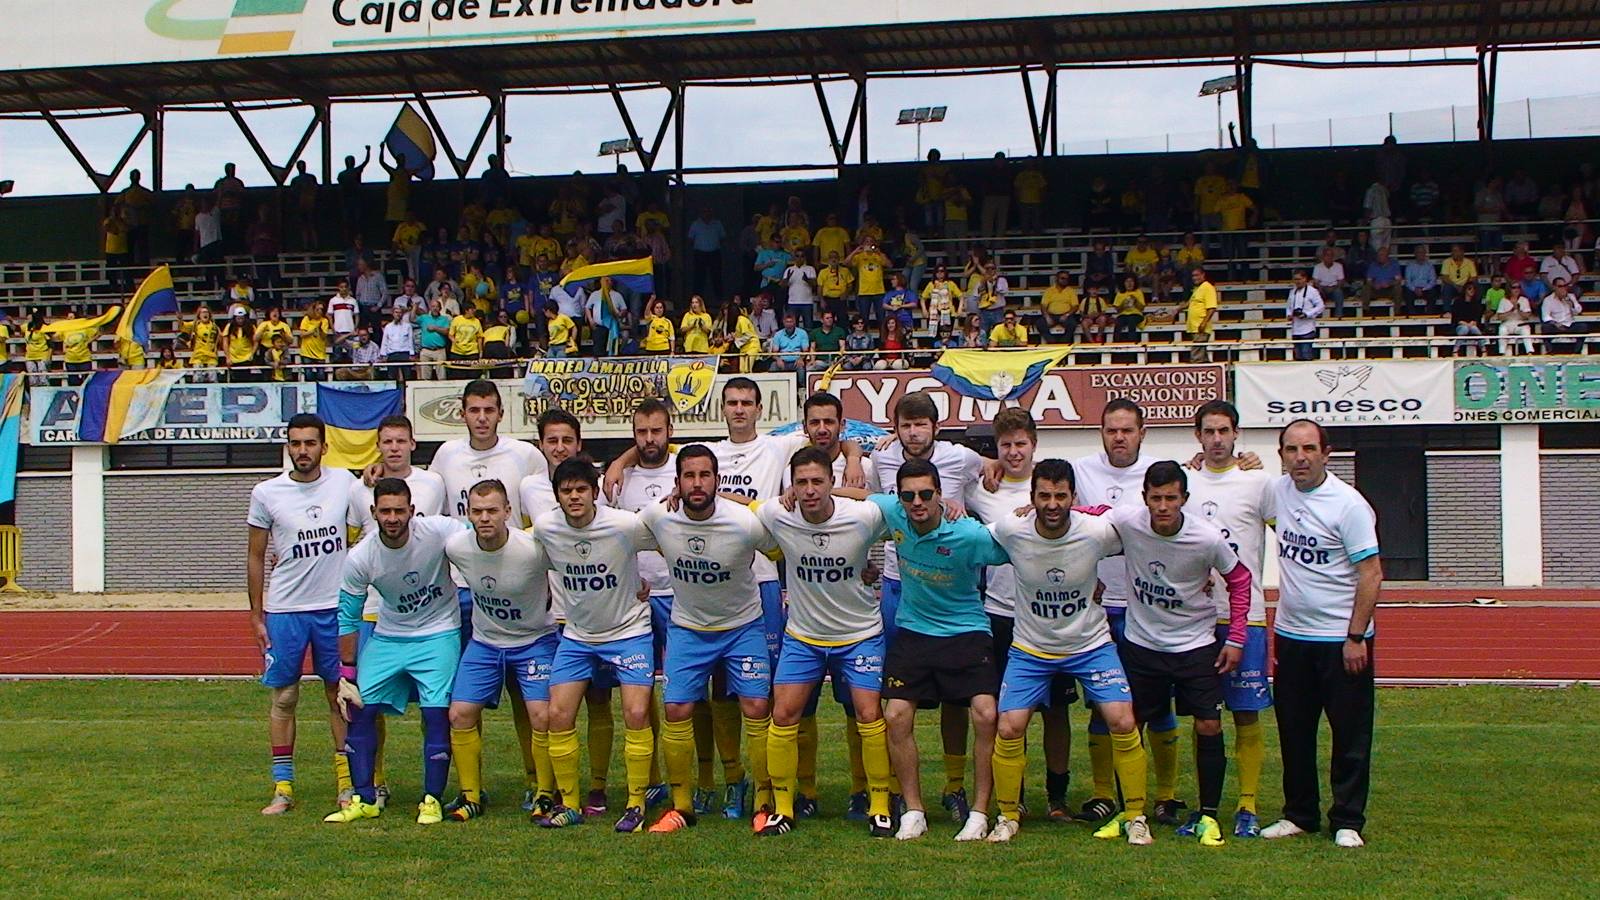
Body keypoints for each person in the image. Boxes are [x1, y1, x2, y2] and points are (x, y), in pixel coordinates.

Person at [985, 458, 1145, 844]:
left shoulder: (1096, 531)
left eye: (1060, 496)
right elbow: (964, 545)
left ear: (1074, 497)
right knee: (1008, 726)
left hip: (1090, 645)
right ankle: (1007, 816)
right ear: (1032, 497)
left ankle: (1136, 817)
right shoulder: (1011, 529)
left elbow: (1145, 529)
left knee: (1123, 721)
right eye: (1044, 496)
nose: (1052, 504)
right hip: (1030, 647)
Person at [1098, 462, 1251, 848]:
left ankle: (1209, 815)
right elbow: (1092, 514)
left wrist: (1234, 637)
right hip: (1142, 645)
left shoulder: (1206, 537)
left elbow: (1241, 580)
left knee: (1208, 726)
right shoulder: (1130, 522)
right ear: (1144, 497)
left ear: (1184, 499)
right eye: (1155, 498)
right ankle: (1130, 811)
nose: (1162, 506)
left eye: (1171, 498)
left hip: (1195, 646)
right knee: (1128, 726)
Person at [755, 446, 895, 838]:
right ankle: (784, 808)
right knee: (783, 715)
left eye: (818, 481)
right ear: (791, 487)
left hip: (860, 635)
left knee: (869, 714)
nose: (810, 490)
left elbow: (897, 507)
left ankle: (880, 805)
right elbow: (740, 508)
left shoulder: (862, 516)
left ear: (832, 483)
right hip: (804, 637)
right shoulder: (778, 515)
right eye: (801, 483)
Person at [868, 392, 990, 829]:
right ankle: (909, 805)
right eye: (906, 424)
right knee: (896, 709)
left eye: (922, 423)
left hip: (961, 610)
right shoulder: (881, 467)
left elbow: (994, 472)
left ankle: (966, 798)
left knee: (972, 708)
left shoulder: (960, 465)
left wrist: (967, 506)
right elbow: (858, 503)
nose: (914, 431)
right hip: (906, 603)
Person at [641, 446, 778, 835]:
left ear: (717, 480)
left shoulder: (744, 522)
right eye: (689, 476)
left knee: (755, 705)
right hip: (688, 628)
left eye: (705, 475)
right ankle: (681, 805)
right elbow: (617, 541)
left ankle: (763, 800)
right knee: (677, 710)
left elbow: (789, 542)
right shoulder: (659, 517)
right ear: (677, 482)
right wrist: (634, 585)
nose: (697, 483)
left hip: (743, 627)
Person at [1262, 420, 1383, 849]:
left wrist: (1355, 636)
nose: (1301, 457)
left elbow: (1371, 573)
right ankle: (1300, 813)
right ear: (1282, 455)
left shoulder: (1348, 505)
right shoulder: (1276, 492)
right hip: (1293, 636)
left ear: (1326, 453)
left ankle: (1347, 819)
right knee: (1294, 731)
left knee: (1349, 734)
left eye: (1309, 448)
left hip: (1341, 640)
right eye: (1291, 449)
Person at [321, 478, 466, 826]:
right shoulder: (361, 557)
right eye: (385, 511)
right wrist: (347, 674)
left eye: (399, 510)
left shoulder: (438, 530)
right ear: (373, 513)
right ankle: (364, 798)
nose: (392, 517)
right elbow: (347, 617)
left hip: (438, 633)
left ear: (412, 512)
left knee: (435, 715)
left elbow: (479, 540)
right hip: (389, 636)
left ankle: (431, 799)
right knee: (357, 709)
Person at [959, 410, 1077, 822]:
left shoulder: (1051, 488)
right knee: (1010, 712)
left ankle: (1057, 796)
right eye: (1005, 445)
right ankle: (1017, 795)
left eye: (1020, 444)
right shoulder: (981, 489)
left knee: (1057, 711)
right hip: (1000, 613)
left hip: (1051, 619)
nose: (1012, 452)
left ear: (1034, 444)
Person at [533, 458, 659, 831]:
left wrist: (644, 581)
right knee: (558, 714)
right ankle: (569, 803)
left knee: (636, 713)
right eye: (566, 490)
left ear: (594, 492)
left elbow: (669, 541)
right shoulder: (546, 528)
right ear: (557, 495)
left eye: (581, 490)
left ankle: (636, 804)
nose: (574, 496)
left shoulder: (624, 525)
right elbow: (533, 564)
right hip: (579, 635)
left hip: (629, 631)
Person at [246, 414, 357, 816]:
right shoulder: (267, 493)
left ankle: (346, 785)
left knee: (339, 696)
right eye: (295, 443)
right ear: (288, 447)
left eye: (310, 443)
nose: (302, 450)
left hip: (335, 608)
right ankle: (282, 787)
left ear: (324, 447)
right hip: (286, 610)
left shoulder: (345, 482)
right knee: (286, 696)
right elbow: (256, 556)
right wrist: (257, 616)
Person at [439, 479, 561, 822]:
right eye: (477, 511)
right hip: (485, 643)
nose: (485, 518)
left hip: (535, 641)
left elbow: (576, 567)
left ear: (508, 512)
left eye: (493, 510)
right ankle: (470, 796)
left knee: (542, 716)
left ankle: (544, 793)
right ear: (468, 514)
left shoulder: (533, 549)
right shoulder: (457, 547)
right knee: (459, 714)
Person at [1186, 400, 1277, 838]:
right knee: (1203, 717)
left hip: (1247, 617)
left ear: (1236, 434)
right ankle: (1202, 805)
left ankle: (1248, 806)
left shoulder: (1258, 481)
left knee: (1245, 714)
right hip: (1197, 620)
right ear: (1197, 435)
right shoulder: (1183, 480)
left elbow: (1292, 529)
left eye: (1224, 431)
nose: (1217, 439)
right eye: (1210, 431)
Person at [1069, 398, 1159, 824]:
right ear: (1101, 433)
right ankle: (1103, 794)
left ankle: (1165, 795)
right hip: (1101, 610)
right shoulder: (1082, 471)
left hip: (1150, 609)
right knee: (1101, 707)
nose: (1119, 437)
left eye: (1127, 430)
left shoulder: (1163, 473)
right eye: (1111, 430)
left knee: (1155, 705)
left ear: (1143, 433)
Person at [688, 209, 726, 299]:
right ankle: (697, 299)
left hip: (714, 253)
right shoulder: (695, 224)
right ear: (701, 213)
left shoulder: (717, 224)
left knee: (716, 276)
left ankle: (719, 298)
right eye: (704, 212)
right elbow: (690, 238)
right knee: (699, 277)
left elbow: (723, 237)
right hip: (700, 253)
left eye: (708, 212)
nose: (707, 214)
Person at [1287, 270, 1325, 361]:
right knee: (1298, 356)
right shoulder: (1292, 291)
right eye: (1295, 279)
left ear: (1305, 279)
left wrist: (1307, 314)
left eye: (1299, 279)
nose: (1297, 281)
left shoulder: (1312, 291)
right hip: (1295, 328)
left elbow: (1321, 306)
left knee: (1306, 354)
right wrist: (1289, 314)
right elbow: (1289, 306)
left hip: (1308, 328)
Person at [1493, 282, 1536, 355]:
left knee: (1526, 329)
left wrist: (1518, 310)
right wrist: (1511, 310)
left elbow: (1527, 316)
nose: (1517, 289)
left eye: (1518, 287)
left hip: (1520, 323)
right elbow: (1500, 317)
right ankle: (1502, 352)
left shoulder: (1524, 300)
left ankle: (1530, 352)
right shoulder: (1503, 300)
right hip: (1507, 323)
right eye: (1514, 287)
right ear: (1509, 289)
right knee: (1502, 330)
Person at [1186, 267, 1219, 362]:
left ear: (1203, 275)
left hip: (1201, 326)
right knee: (1202, 354)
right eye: (1193, 276)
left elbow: (1212, 307)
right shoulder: (1198, 288)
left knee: (1196, 355)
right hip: (1195, 327)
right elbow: (1189, 303)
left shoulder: (1208, 287)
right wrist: (1177, 309)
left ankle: (1195, 373)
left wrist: (1204, 323)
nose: (1194, 278)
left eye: (1196, 275)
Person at [1040, 271, 1081, 343]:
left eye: (1067, 279)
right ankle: (1052, 342)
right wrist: (1047, 316)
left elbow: (1075, 306)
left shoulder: (1071, 291)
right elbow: (1043, 305)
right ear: (1057, 278)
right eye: (1063, 278)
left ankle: (1063, 343)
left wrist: (1067, 315)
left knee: (1073, 324)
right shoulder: (1049, 290)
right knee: (1040, 323)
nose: (1065, 280)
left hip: (1065, 315)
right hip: (1051, 315)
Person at [415, 299, 451, 378]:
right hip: (426, 350)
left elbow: (446, 332)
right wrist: (415, 307)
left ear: (440, 308)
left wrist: (435, 328)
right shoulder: (424, 318)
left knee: (442, 376)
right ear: (430, 308)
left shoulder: (444, 319)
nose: (435, 308)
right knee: (425, 377)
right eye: (433, 306)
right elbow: (412, 319)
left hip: (439, 350)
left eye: (437, 306)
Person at [1450, 282, 1487, 357]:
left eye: (1473, 289)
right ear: (1465, 290)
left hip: (1472, 325)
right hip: (1461, 325)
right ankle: (1455, 350)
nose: (1472, 291)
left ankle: (1484, 350)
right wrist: (1466, 324)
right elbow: (1456, 318)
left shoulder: (1476, 303)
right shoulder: (1458, 302)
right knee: (1464, 329)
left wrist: (1473, 322)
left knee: (1474, 329)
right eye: (1469, 289)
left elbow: (1477, 317)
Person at [380, 305, 415, 381]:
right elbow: (385, 341)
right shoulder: (388, 327)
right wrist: (383, 354)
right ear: (393, 313)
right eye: (396, 312)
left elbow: (410, 340)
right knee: (391, 377)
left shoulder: (407, 326)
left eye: (400, 312)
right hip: (392, 354)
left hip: (404, 353)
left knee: (407, 376)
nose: (398, 314)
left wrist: (412, 354)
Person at [447, 306, 483, 379]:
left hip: (472, 351)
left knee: (473, 375)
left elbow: (479, 337)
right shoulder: (457, 320)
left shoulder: (477, 321)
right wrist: (454, 341)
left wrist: (481, 350)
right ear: (466, 310)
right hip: (457, 352)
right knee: (457, 375)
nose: (474, 311)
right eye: (472, 309)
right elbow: (450, 334)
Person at [1311, 248, 1347, 320]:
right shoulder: (1318, 267)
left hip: (1334, 288)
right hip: (1322, 289)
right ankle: (1318, 317)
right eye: (1327, 255)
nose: (1329, 257)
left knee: (1339, 293)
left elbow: (1341, 281)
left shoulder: (1339, 266)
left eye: (1331, 255)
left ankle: (1338, 317)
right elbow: (1315, 281)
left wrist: (1334, 288)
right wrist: (1321, 288)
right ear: (1323, 257)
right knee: (1316, 293)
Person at [1404, 245, 1439, 316]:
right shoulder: (1410, 266)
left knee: (1433, 292)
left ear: (1425, 253)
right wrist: (1415, 289)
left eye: (1422, 252)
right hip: (1413, 289)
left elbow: (1432, 281)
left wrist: (1423, 289)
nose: (1421, 254)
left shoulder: (1430, 266)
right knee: (1407, 293)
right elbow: (1407, 281)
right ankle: (1412, 316)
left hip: (1426, 288)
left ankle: (1429, 315)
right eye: (1419, 252)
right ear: (1415, 254)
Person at [1113, 275, 1147, 343]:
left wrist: (1135, 301)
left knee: (1131, 321)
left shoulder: (1138, 292)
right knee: (1118, 323)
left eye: (1131, 281)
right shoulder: (1120, 294)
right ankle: (1116, 343)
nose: (1129, 283)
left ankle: (1132, 342)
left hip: (1136, 314)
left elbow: (1142, 308)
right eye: (1127, 281)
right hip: (1123, 314)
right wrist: (1123, 304)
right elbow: (1118, 310)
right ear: (1123, 283)